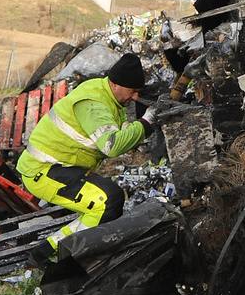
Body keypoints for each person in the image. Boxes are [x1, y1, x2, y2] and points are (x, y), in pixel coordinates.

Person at [17, 53, 178, 264]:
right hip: (44, 170)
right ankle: (69, 258)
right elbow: (112, 146)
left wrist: (142, 125)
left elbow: (118, 134)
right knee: (107, 201)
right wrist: (146, 122)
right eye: (132, 91)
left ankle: (47, 252)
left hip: (59, 166)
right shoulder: (94, 103)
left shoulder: (106, 95)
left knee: (107, 202)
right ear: (115, 84)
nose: (135, 97)